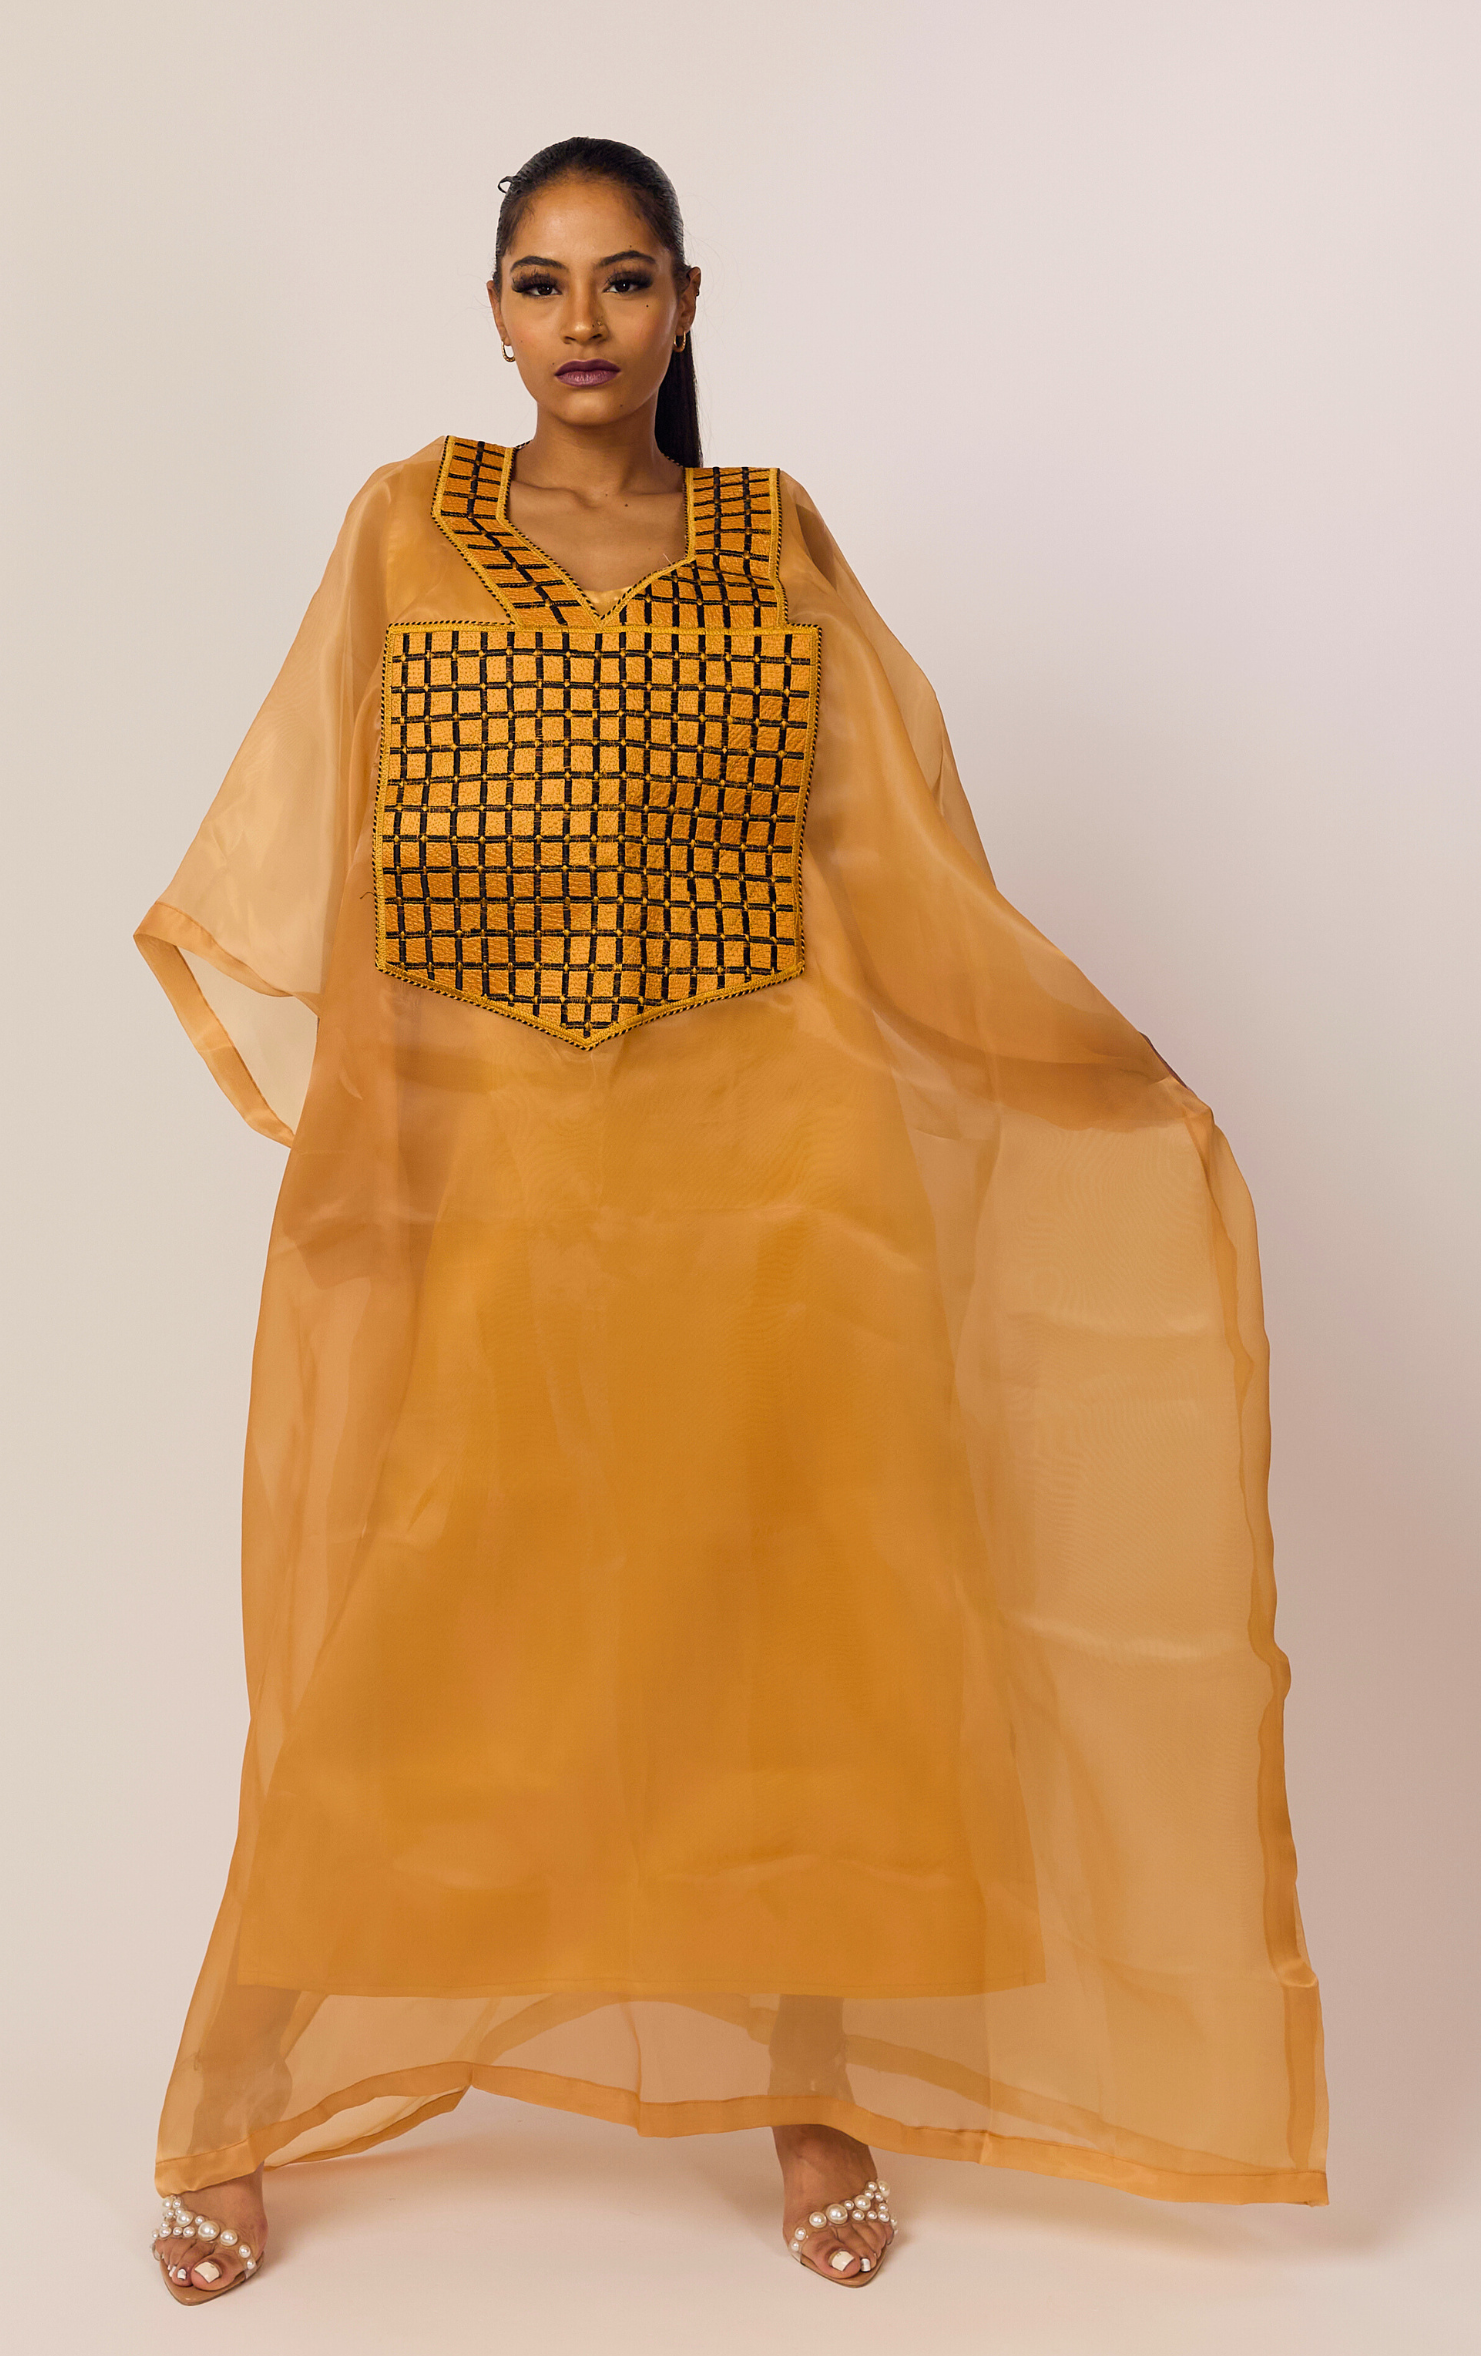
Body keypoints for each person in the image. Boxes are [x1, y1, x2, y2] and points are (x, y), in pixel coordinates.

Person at [137, 137, 1326, 2305]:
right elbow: (342, 850)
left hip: (770, 1176)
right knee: (412, 1623)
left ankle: (811, 2088)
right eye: (539, 279)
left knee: (789, 1628)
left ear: (686, 301)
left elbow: (895, 865)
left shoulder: (774, 540)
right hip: (492, 1163)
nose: (581, 319)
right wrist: (375, 1145)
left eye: (623, 277)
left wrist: (1087, 1057)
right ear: (492, 313)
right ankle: (242, 2086)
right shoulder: (408, 528)